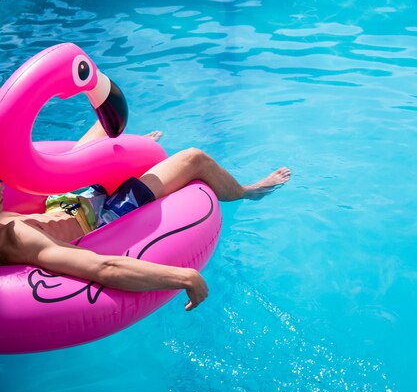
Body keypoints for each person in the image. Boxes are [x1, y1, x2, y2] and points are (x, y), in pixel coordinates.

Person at [0, 122, 291, 311]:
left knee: (106, 124)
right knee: (194, 158)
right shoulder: (15, 238)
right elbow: (104, 267)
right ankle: (247, 191)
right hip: (105, 215)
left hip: (64, 201)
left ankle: (135, 151)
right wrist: (183, 276)